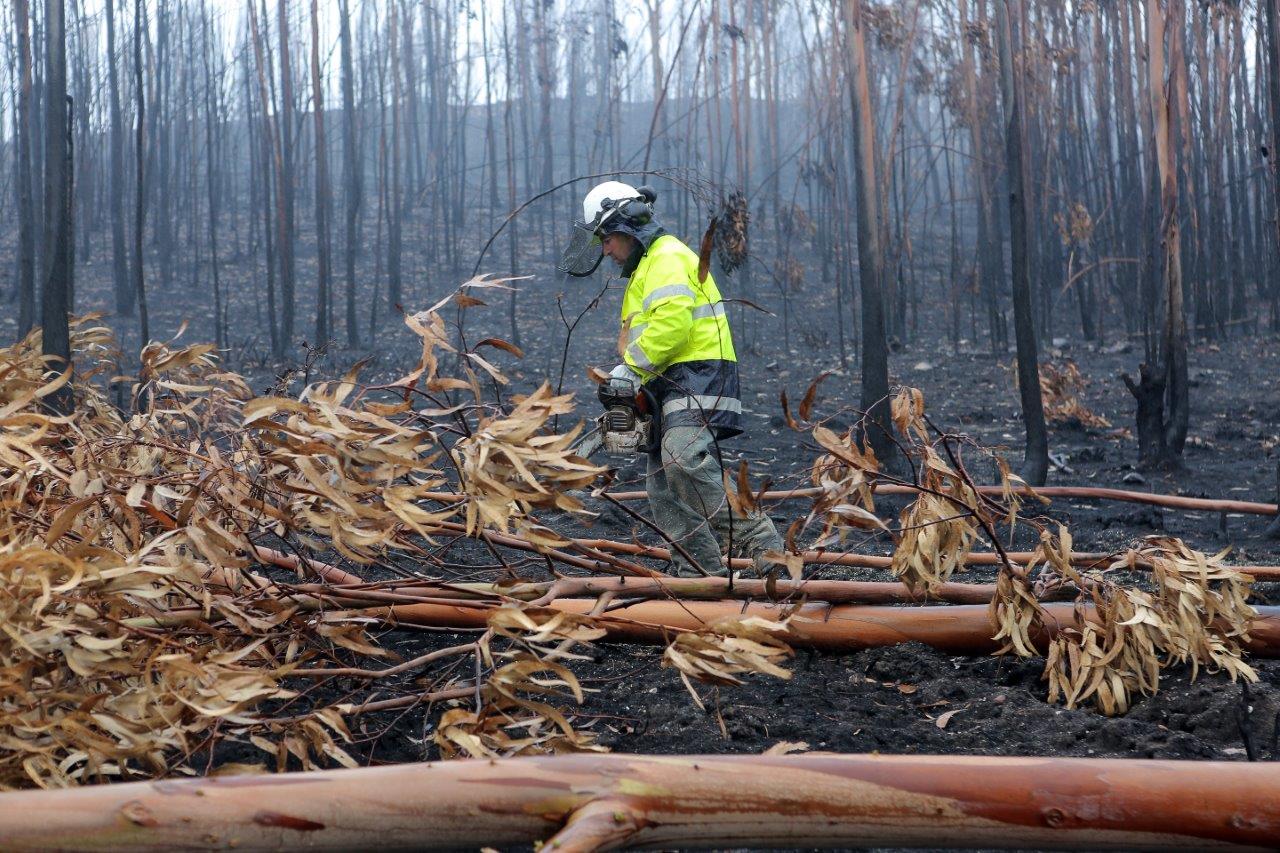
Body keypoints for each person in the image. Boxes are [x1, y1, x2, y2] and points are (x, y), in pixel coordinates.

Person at [559, 180, 784, 577]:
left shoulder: (666, 257)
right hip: (667, 378)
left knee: (683, 460)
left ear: (627, 226)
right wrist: (633, 385)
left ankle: (766, 548)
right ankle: (697, 573)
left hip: (699, 373)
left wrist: (631, 368)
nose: (606, 250)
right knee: (662, 486)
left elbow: (673, 327)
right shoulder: (646, 269)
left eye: (608, 239)